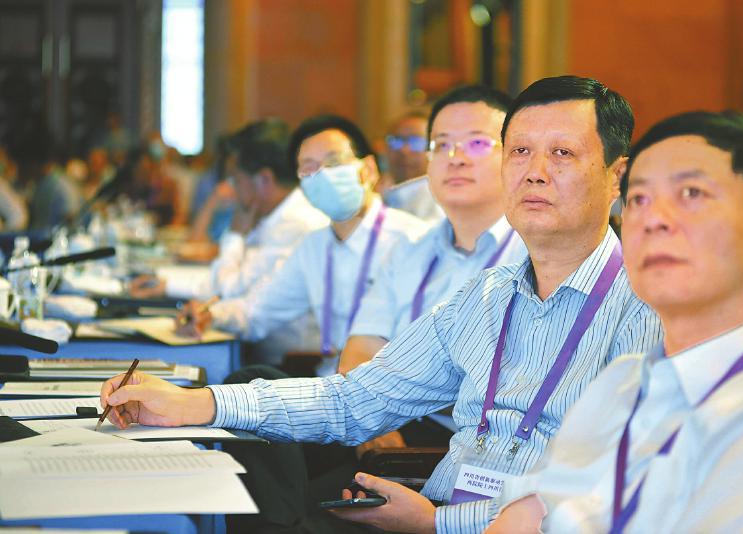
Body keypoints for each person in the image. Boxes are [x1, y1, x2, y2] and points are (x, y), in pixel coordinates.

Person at [100, 76, 662, 533]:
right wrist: (194, 403)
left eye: (562, 153)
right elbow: (356, 398)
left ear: (617, 176)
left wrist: (438, 523)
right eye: (519, 151)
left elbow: (608, 493)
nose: (534, 171)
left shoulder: (647, 309)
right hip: (426, 506)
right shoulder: (486, 296)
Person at [488, 111, 743, 532]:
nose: (654, 219)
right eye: (638, 199)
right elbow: (521, 516)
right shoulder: (622, 383)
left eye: (692, 193)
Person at [176, 114, 429, 374]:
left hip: (392, 387)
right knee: (245, 378)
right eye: (309, 169)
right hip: (329, 383)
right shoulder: (315, 246)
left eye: (334, 162)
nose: (323, 175)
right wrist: (210, 314)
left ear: (368, 170)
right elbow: (257, 312)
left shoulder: (412, 239)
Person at [341, 85, 528, 374]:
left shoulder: (537, 255)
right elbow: (360, 349)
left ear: (517, 156)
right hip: (392, 404)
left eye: (477, 143)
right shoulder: (407, 251)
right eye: (441, 145)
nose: (455, 157)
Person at [129, 120, 328, 302]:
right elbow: (230, 281)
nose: (233, 189)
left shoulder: (295, 225)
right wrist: (167, 284)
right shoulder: (274, 216)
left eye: (236, 180)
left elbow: (230, 291)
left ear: (264, 180)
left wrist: (235, 235)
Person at [382, 111, 446, 223]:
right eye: (396, 141)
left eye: (416, 143)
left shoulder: (440, 205)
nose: (404, 150)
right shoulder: (381, 195)